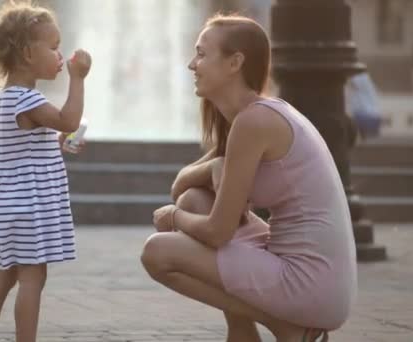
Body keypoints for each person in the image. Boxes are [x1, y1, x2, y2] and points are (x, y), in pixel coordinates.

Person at [141, 14, 356, 342]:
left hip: (311, 284)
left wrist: (174, 217)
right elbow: (181, 185)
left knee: (157, 253)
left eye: (201, 54)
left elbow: (217, 231)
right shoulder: (250, 116)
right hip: (301, 268)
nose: (190, 64)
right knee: (195, 199)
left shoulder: (255, 122)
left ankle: (288, 328)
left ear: (234, 63)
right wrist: (214, 167)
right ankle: (241, 331)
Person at [0, 1, 91, 341]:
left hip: (6, 207)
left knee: (3, 278)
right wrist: (79, 79)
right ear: (27, 53)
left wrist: (58, 143)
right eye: (54, 48)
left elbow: (24, 147)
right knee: (32, 279)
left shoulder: (10, 98)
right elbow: (70, 120)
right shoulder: (26, 100)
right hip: (27, 208)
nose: (61, 56)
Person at [344, 72, 382, 140]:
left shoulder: (360, 82)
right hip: (374, 117)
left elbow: (353, 82)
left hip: (365, 117)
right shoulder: (367, 86)